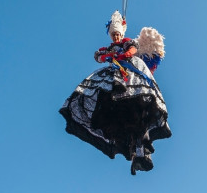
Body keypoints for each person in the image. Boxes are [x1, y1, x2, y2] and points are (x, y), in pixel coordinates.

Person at [59, 11, 171, 174]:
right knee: (111, 101)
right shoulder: (111, 47)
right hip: (115, 73)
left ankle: (140, 151)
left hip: (128, 71)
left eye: (118, 34)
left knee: (134, 101)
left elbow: (133, 48)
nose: (116, 37)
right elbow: (98, 55)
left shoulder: (126, 42)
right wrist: (105, 57)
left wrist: (126, 54)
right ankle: (134, 150)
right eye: (114, 35)